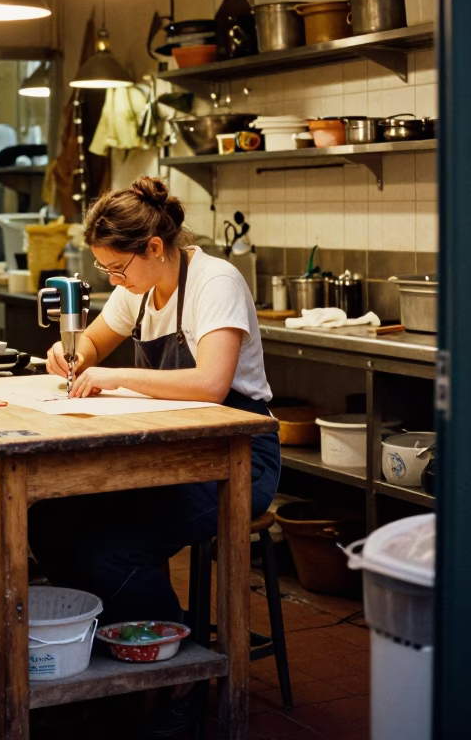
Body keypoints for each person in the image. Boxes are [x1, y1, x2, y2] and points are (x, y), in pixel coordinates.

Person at [27, 176, 281, 630]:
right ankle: (110, 631)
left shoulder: (215, 282)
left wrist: (116, 374)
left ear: (155, 248)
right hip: (168, 453)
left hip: (235, 460)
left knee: (108, 551)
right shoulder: (136, 291)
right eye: (105, 270)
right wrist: (74, 353)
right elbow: (93, 343)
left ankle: (171, 655)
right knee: (49, 521)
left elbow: (210, 385)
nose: (114, 280)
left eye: (117, 268)